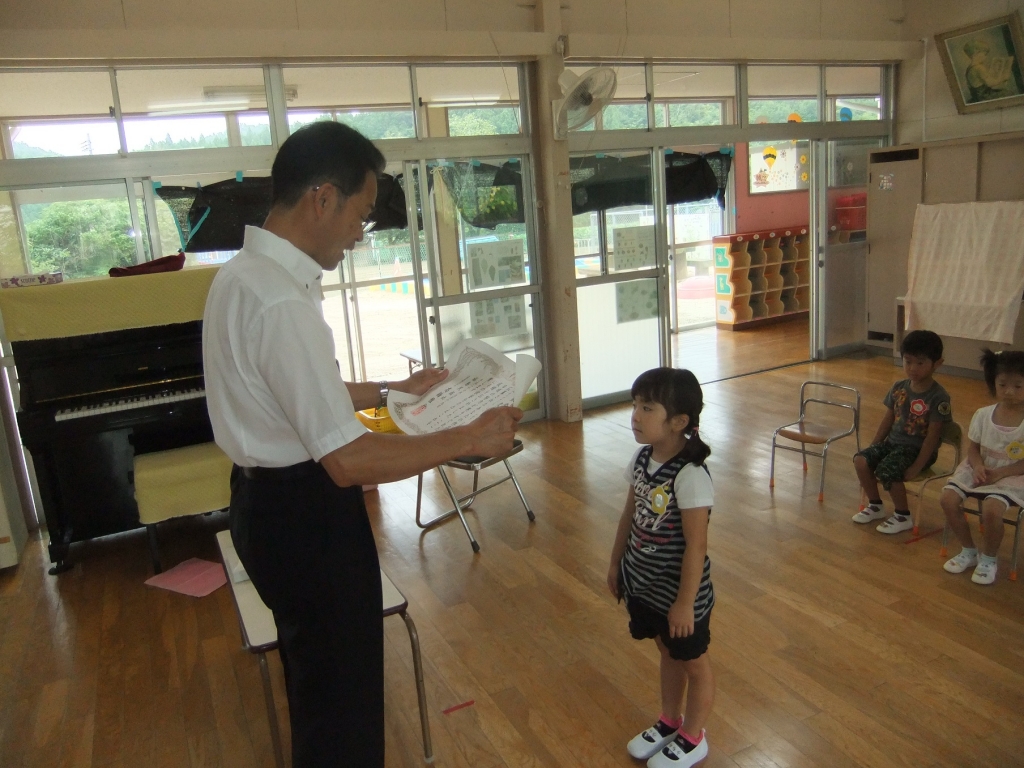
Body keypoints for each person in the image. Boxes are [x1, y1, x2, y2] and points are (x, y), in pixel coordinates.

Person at [202, 121, 522, 768]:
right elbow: (349, 461)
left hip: (262, 508)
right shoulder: (282, 304)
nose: (361, 233)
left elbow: (292, 391)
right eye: (362, 214)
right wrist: (469, 435)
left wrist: (389, 389)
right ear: (323, 198)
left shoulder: (241, 277)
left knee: (317, 687)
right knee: (342, 707)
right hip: (306, 520)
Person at [607, 368, 715, 768]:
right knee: (667, 653)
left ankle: (694, 736)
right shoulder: (642, 459)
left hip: (679, 594)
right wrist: (616, 563)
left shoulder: (690, 474)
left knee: (694, 664)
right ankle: (670, 720)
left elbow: (696, 546)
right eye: (635, 405)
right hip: (645, 585)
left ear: (679, 421)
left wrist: (685, 604)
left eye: (647, 408)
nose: (635, 415)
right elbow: (629, 515)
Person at [852, 329, 952, 534]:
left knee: (887, 469)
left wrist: (917, 466)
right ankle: (876, 505)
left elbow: (933, 436)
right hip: (892, 445)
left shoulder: (938, 397)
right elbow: (888, 419)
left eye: (920, 363)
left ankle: (902, 515)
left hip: (916, 450)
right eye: (908, 361)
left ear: (937, 363)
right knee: (861, 460)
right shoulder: (899, 387)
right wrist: (874, 445)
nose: (912, 368)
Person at [940, 349, 1024, 585]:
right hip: (981, 466)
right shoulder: (983, 414)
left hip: (1014, 473)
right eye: (1002, 384)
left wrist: (999, 474)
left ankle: (989, 558)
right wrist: (977, 466)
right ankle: (969, 550)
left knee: (992, 510)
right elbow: (973, 448)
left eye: (1018, 386)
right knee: (947, 499)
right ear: (993, 383)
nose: (1009, 391)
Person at [963, 39, 1016, 104]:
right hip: (984, 96)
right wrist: (1003, 78)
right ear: (976, 53)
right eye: (985, 54)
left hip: (976, 96)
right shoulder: (979, 68)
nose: (986, 57)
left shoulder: (969, 68)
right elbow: (990, 83)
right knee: (1008, 93)